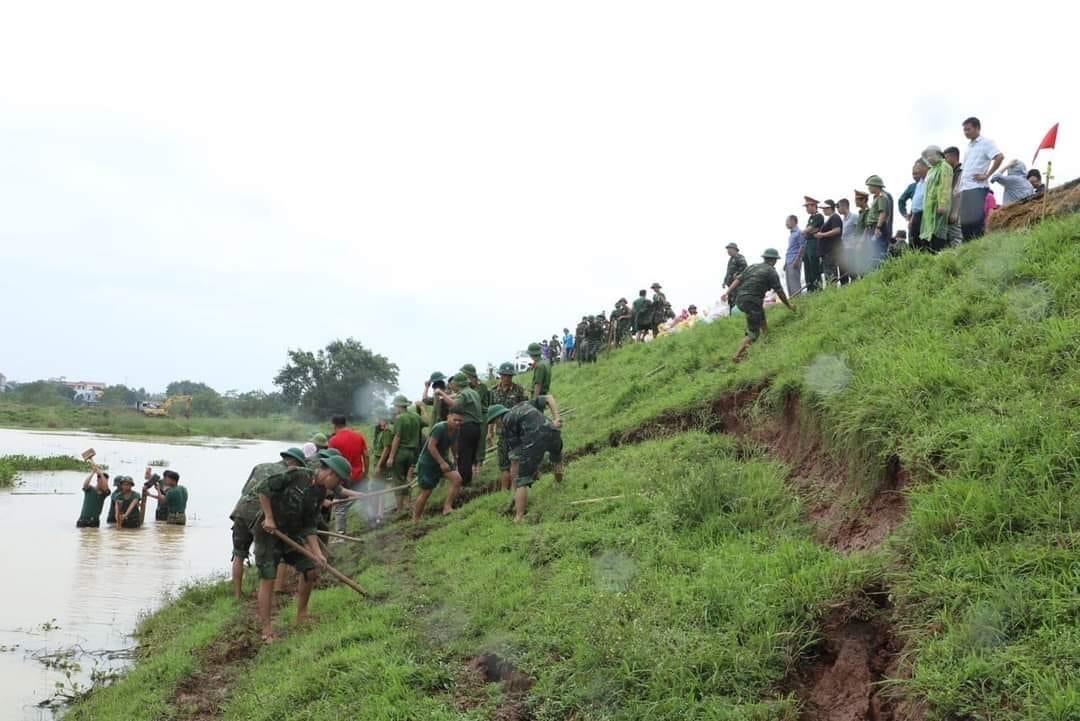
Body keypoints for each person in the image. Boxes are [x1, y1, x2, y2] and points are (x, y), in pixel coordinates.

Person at [254, 454, 354, 642]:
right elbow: (263, 489)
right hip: (269, 532)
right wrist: (269, 516)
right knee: (268, 577)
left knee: (310, 569)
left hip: (292, 534)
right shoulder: (297, 475)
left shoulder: (321, 492)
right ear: (330, 473)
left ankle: (301, 616)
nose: (338, 485)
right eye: (338, 480)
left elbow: (309, 525)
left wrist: (317, 554)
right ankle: (267, 629)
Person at [230, 448, 307, 601]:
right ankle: (271, 592)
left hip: (240, 511)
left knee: (238, 554)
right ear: (293, 462)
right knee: (269, 555)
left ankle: (237, 596)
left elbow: (245, 489)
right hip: (261, 517)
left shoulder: (260, 466)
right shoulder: (286, 475)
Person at [486, 398, 563, 523]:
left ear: (498, 418)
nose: (496, 426)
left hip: (534, 440)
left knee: (523, 480)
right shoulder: (524, 404)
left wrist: (517, 486)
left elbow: (515, 460)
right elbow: (549, 398)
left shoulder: (507, 426)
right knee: (557, 458)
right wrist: (557, 418)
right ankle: (559, 483)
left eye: (495, 423)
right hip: (552, 430)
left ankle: (519, 516)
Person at [720, 248, 797, 363]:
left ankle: (768, 340)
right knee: (753, 333)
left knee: (760, 315)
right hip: (752, 300)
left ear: (764, 258)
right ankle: (737, 356)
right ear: (774, 260)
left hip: (740, 299)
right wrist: (789, 306)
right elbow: (780, 292)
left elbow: (738, 280)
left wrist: (727, 292)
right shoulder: (771, 272)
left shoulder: (752, 267)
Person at [412, 407, 464, 520]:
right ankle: (415, 520)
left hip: (443, 460)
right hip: (428, 463)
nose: (457, 422)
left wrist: (455, 458)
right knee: (426, 492)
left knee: (457, 479)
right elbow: (431, 446)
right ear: (448, 417)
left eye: (460, 420)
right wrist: (441, 462)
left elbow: (454, 444)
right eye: (455, 420)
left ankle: (447, 507)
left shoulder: (457, 429)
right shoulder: (439, 428)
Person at [959, 117, 1004, 241]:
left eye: (968, 129)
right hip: (965, 188)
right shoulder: (969, 147)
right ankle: (967, 249)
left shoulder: (986, 143)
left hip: (977, 187)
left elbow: (999, 157)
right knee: (964, 222)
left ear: (977, 128)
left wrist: (987, 175)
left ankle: (977, 248)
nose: (966, 132)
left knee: (976, 222)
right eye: (964, 130)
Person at [436, 373, 483, 487]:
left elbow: (454, 405)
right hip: (477, 427)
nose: (452, 386)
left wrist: (441, 393)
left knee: (464, 455)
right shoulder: (473, 392)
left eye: (453, 384)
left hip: (466, 427)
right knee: (470, 455)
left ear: (458, 384)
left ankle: (463, 483)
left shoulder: (463, 394)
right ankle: (468, 480)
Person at [326, 415, 369, 532]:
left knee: (340, 506)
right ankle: (371, 523)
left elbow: (331, 462)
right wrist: (366, 472)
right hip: (358, 474)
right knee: (362, 498)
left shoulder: (333, 440)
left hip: (342, 478)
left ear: (334, 425)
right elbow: (366, 455)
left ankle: (340, 534)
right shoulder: (359, 436)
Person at [386, 395, 424, 513]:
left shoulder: (399, 418)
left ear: (398, 406)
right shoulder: (416, 416)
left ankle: (400, 508)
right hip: (413, 453)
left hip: (401, 452)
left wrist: (391, 457)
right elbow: (426, 422)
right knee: (408, 479)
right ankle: (408, 504)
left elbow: (397, 438)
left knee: (398, 480)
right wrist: (422, 409)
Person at [919, 145, 954, 253]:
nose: (929, 158)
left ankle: (939, 256)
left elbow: (945, 186)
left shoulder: (945, 166)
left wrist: (942, 204)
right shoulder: (930, 171)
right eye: (927, 156)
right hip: (929, 207)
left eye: (931, 155)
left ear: (938, 154)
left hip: (939, 206)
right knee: (929, 233)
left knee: (938, 232)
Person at [461, 363, 491, 470]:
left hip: (482, 416)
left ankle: (478, 467)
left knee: (481, 442)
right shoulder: (469, 388)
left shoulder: (481, 387)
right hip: (473, 418)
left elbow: (474, 399)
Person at [864, 175, 893, 265]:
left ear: (875, 186)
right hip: (872, 227)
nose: (868, 188)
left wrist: (878, 228)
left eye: (870, 186)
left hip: (877, 227)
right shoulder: (877, 197)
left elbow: (883, 213)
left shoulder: (882, 197)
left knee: (878, 252)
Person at [816, 200, 843, 287]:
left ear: (830, 208)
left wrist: (822, 235)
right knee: (828, 273)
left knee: (831, 273)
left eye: (825, 208)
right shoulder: (830, 218)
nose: (823, 210)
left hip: (831, 251)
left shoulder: (835, 217)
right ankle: (831, 289)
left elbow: (837, 230)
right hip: (827, 252)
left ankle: (833, 290)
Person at [801, 197, 824, 292]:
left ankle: (818, 289)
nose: (806, 208)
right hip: (808, 243)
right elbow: (807, 232)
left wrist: (809, 231)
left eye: (808, 206)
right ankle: (810, 290)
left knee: (814, 268)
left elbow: (809, 230)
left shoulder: (818, 216)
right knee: (808, 268)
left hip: (814, 243)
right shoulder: (811, 218)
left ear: (814, 205)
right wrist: (809, 231)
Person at [905, 160, 929, 250]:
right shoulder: (919, 184)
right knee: (914, 239)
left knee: (923, 241)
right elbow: (915, 202)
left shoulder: (929, 181)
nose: (917, 171)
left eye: (919, 168)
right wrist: (911, 218)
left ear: (925, 168)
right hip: (916, 214)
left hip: (925, 214)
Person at [944, 146, 964, 247]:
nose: (945, 161)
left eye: (946, 158)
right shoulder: (950, 173)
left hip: (957, 211)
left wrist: (955, 212)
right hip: (950, 210)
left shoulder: (961, 172)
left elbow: (958, 192)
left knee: (956, 237)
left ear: (953, 157)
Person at [837, 198, 859, 283]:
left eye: (839, 206)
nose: (838, 209)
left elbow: (859, 230)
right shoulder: (843, 220)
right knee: (845, 271)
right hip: (844, 248)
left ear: (844, 206)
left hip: (852, 248)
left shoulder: (854, 217)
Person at [722, 243, 748, 314]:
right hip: (731, 286)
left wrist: (737, 273)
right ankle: (732, 315)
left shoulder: (739, 257)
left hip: (738, 285)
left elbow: (745, 268)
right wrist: (724, 281)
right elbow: (728, 272)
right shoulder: (731, 259)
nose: (728, 251)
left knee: (738, 300)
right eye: (727, 250)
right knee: (731, 301)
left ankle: (740, 314)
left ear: (734, 249)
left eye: (729, 249)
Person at [783, 215, 804, 297]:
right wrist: (785, 263)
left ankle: (799, 301)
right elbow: (790, 249)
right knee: (789, 284)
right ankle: (793, 302)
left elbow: (802, 247)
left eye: (787, 222)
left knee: (794, 283)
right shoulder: (791, 234)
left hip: (794, 260)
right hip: (789, 261)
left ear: (793, 221)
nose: (786, 224)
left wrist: (797, 260)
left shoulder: (799, 232)